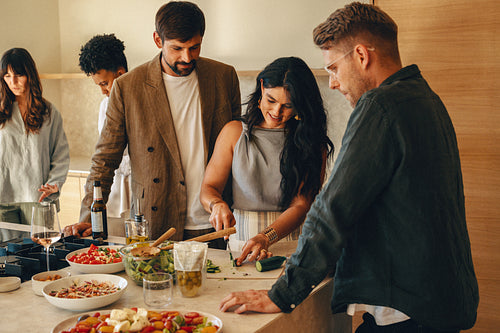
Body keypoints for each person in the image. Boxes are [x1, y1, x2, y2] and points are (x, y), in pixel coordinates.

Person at [219, 2, 479, 332]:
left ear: (361, 55)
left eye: (333, 68)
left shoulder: (379, 106)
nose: (332, 83)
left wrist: (282, 294)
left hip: (404, 312)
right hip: (437, 301)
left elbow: (332, 209)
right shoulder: (424, 98)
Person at [63, 1, 241, 245]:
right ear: (158, 40)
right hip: (155, 221)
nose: (187, 57)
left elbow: (237, 150)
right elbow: (105, 160)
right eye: (177, 48)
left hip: (214, 221)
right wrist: (87, 215)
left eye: (195, 47)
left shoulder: (224, 77)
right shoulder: (129, 87)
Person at [200, 57, 333, 264]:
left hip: (291, 240)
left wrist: (265, 237)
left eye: (288, 106)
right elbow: (209, 187)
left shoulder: (311, 142)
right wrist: (216, 204)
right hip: (241, 241)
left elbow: (300, 205)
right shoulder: (234, 132)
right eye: (271, 100)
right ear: (261, 87)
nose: (277, 112)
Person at [0, 47, 70, 204]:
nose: (13, 82)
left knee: (42, 230)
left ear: (29, 74)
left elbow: (60, 154)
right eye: (7, 76)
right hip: (4, 200)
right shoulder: (2, 111)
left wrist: (54, 183)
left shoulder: (49, 112)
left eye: (18, 75)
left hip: (38, 199)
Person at [78, 33, 131, 218]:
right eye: (98, 85)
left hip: (138, 187)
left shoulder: (142, 101)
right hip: (113, 186)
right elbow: (105, 153)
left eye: (105, 83)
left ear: (121, 73)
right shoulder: (105, 107)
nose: (103, 91)